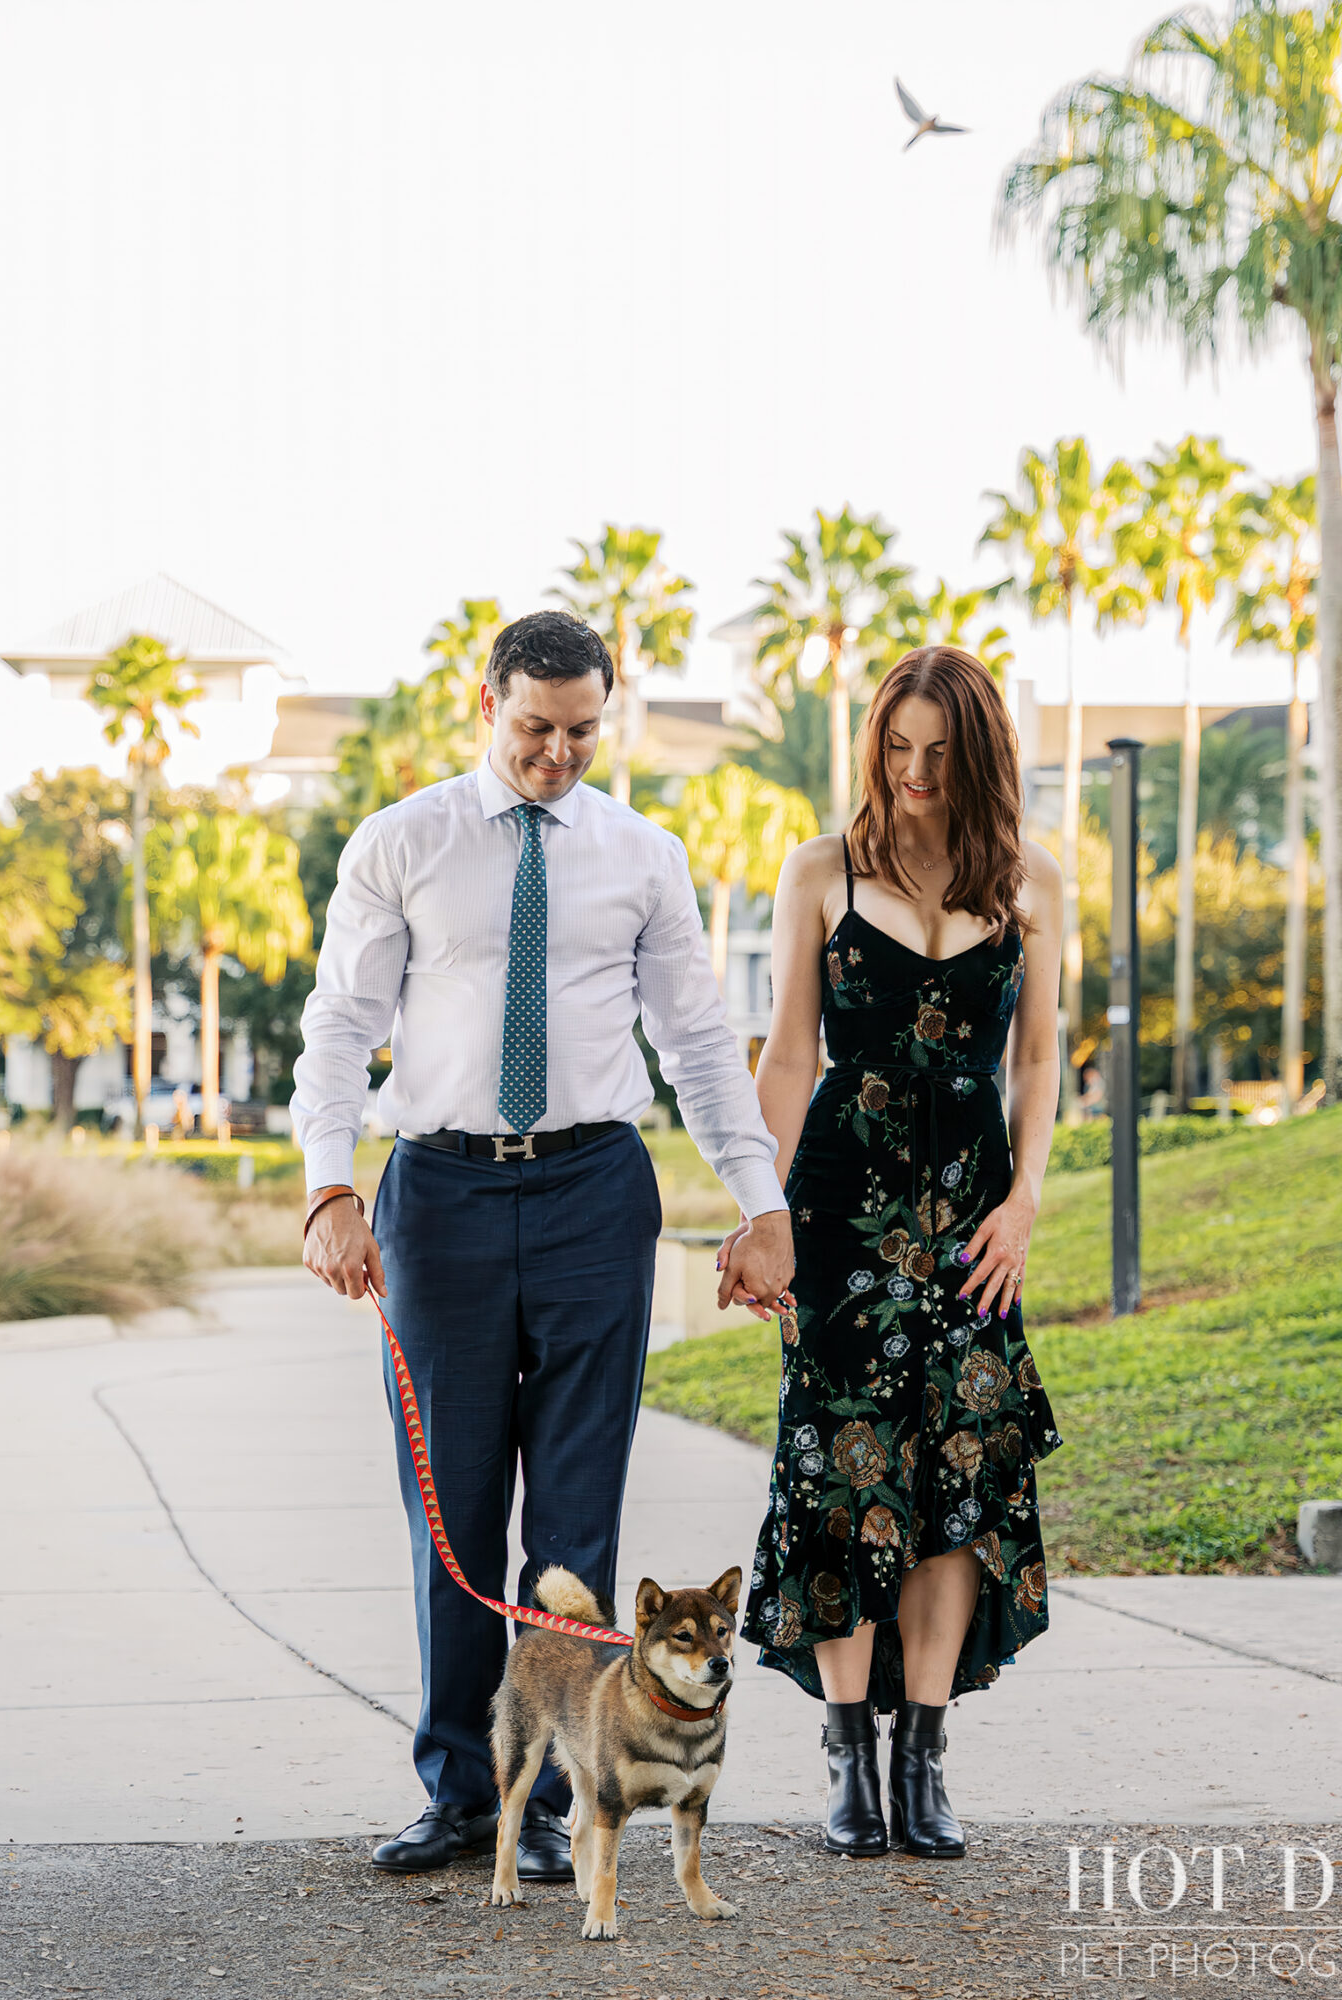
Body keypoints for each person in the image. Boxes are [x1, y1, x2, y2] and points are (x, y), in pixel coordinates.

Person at [294, 610, 795, 1880]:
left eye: (580, 731)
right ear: (486, 702)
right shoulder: (401, 841)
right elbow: (342, 1025)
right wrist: (327, 1187)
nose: (556, 754)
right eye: (534, 728)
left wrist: (761, 1203)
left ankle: (563, 1803)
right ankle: (463, 1789)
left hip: (591, 1194)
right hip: (441, 1200)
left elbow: (696, 1044)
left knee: (575, 1527)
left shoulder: (642, 854)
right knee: (450, 1511)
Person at [739, 645, 1062, 1861]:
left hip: (974, 1217)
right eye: (897, 746)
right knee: (841, 1472)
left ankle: (924, 1756)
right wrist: (758, 1205)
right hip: (840, 1206)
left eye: (939, 752)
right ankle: (849, 1762)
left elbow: (1035, 1062)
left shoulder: (1032, 881)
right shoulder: (820, 869)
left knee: (959, 1477)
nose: (914, 771)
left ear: (978, 756)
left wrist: (1026, 1201)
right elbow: (785, 1053)